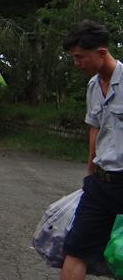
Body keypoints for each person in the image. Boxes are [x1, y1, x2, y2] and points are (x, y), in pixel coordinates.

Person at [61, 20, 123, 279]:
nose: (76, 63)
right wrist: (90, 173)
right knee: (75, 249)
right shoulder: (93, 86)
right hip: (100, 182)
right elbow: (94, 131)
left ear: (101, 53)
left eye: (80, 57)